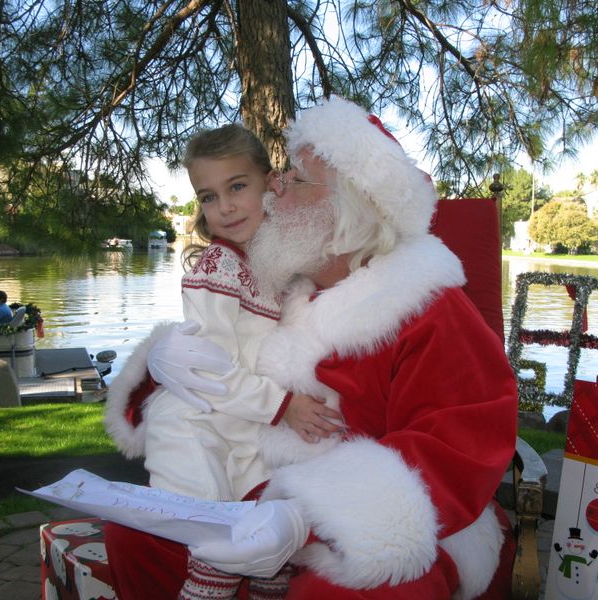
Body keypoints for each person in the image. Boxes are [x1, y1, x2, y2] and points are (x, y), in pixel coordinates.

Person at [104, 97, 518, 600]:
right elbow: (221, 358)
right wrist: (163, 357)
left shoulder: (426, 304)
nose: (275, 189)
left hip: (385, 522)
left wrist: (304, 512)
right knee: (136, 535)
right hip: (258, 488)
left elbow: (460, 440)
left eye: (296, 179)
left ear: (346, 206)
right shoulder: (286, 287)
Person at [105, 123, 341, 600]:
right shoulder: (215, 270)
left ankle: (267, 569)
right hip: (205, 409)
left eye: (237, 187)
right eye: (208, 197)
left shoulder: (277, 261)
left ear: (270, 184)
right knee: (198, 481)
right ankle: (209, 573)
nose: (225, 207)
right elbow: (206, 367)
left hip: (249, 414)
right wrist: (282, 406)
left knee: (268, 480)